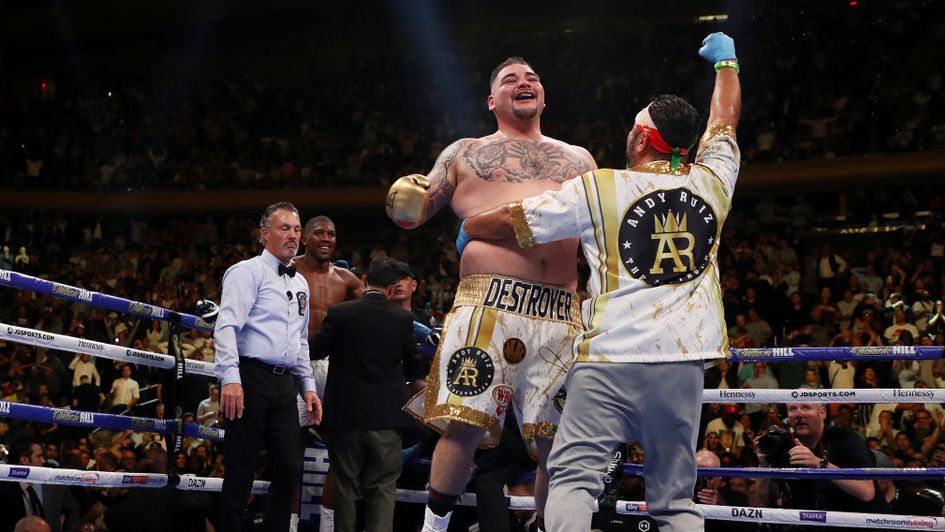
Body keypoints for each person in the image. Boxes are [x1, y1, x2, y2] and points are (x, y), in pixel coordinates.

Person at [458, 32, 742, 531]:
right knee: (675, 500)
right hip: (682, 362)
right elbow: (725, 122)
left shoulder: (599, 187)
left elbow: (516, 219)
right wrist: (727, 64)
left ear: (641, 138)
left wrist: (471, 227)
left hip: (610, 358)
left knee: (572, 481)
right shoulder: (713, 180)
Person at [385, 55, 596, 531]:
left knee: (558, 439)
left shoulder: (579, 158)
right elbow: (413, 212)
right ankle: (434, 527)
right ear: (491, 100)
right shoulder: (466, 152)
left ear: (543, 95)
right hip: (488, 303)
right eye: (511, 79)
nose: (525, 82)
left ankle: (551, 526)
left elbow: (599, 231)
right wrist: (406, 201)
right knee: (464, 424)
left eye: (532, 77)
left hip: (561, 308)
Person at [213, 201, 322, 532]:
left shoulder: (300, 284)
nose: (293, 235)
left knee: (288, 468)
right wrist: (230, 379)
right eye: (284, 228)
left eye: (297, 229)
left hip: (285, 385)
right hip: (250, 378)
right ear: (265, 233)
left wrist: (308, 387)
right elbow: (226, 327)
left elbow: (300, 340)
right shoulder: (245, 272)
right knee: (241, 468)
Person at [310, 257, 424, 531]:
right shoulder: (402, 319)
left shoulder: (340, 313)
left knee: (345, 489)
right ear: (393, 287)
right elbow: (415, 370)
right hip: (386, 421)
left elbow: (315, 351)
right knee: (382, 490)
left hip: (346, 419)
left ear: (364, 280)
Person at [293, 214, 363, 532]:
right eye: (319, 233)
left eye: (331, 234)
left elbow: (375, 309)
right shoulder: (287, 270)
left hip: (334, 368)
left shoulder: (347, 279)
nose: (326, 239)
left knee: (342, 451)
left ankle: (328, 524)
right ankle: (290, 523)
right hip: (297, 365)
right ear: (304, 238)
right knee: (290, 449)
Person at [753, 402, 889, 526]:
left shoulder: (844, 439)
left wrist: (819, 464)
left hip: (859, 524)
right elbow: (762, 504)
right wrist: (764, 466)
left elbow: (867, 492)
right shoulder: (786, 444)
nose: (799, 414)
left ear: (822, 412)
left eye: (806, 407)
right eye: (793, 409)